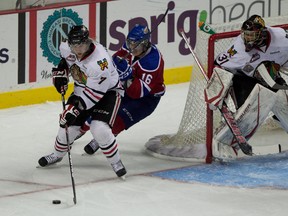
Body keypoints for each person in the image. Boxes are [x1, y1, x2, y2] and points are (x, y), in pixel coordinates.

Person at [38, 25, 126, 178]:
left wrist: (75, 109)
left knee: (99, 129)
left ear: (88, 42)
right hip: (82, 89)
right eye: (74, 45)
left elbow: (94, 95)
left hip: (108, 94)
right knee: (67, 128)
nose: (78, 49)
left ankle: (116, 161)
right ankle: (58, 155)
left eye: (82, 44)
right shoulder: (66, 47)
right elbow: (66, 61)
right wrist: (61, 73)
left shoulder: (99, 62)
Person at [79, 24, 165, 155]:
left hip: (146, 100)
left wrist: (128, 75)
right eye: (129, 43)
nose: (131, 48)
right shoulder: (131, 46)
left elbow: (138, 93)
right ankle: (78, 130)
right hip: (125, 90)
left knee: (118, 121)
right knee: (99, 110)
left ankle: (102, 138)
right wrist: (117, 66)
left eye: (135, 45)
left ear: (145, 43)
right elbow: (116, 59)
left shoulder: (153, 62)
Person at [210, 14, 288, 156]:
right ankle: (226, 143)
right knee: (250, 111)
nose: (247, 39)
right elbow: (218, 65)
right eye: (245, 35)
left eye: (251, 35)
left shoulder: (281, 38)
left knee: (283, 102)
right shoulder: (238, 48)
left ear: (262, 33)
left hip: (270, 77)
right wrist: (217, 90)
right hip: (244, 80)